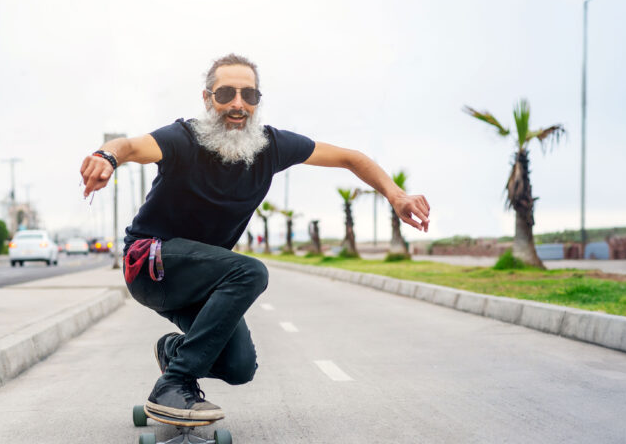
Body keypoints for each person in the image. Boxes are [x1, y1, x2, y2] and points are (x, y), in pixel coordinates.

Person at [79, 53, 430, 422]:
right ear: (207, 99)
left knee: (239, 367)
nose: (237, 104)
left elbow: (349, 158)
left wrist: (396, 195)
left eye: (249, 96)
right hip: (150, 264)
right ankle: (173, 385)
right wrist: (107, 156)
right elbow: (130, 146)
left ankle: (174, 355)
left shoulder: (272, 147)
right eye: (226, 93)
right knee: (250, 271)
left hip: (200, 282)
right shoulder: (183, 139)